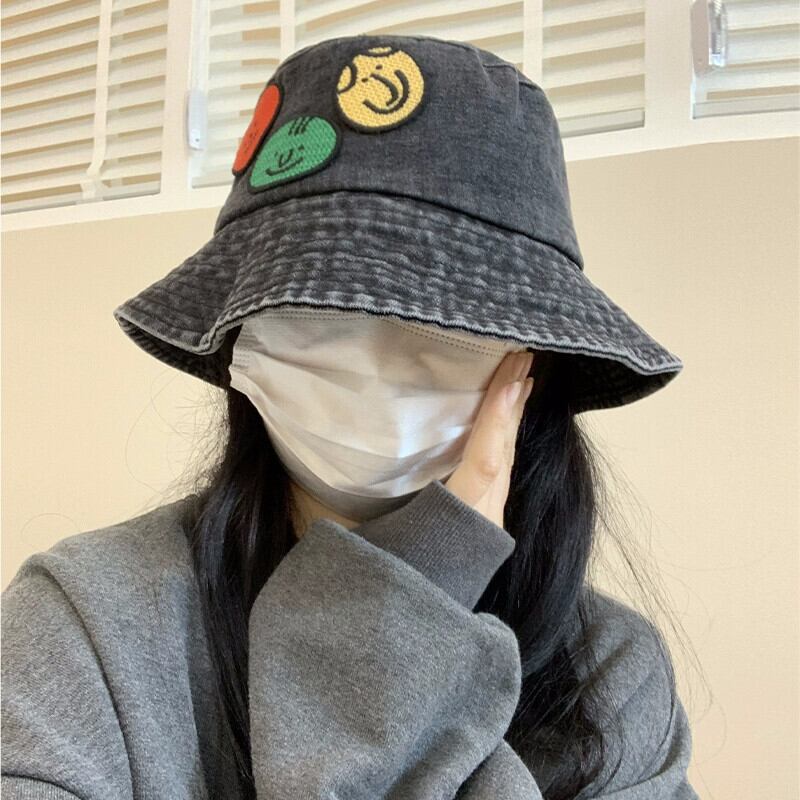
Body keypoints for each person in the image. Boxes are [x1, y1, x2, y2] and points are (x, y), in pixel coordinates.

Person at [1, 33, 699, 800]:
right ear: (239, 337)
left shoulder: (611, 681)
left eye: (441, 318)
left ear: (532, 363)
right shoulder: (83, 626)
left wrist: (415, 594)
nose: (370, 352)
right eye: (318, 307)